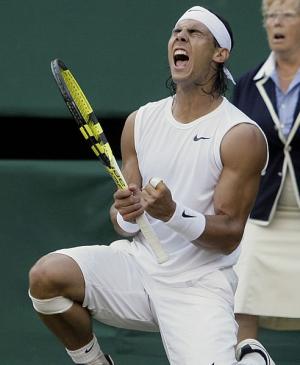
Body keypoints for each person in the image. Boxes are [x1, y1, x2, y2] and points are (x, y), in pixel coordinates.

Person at [28, 6, 274, 365]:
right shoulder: (139, 122)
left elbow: (230, 234)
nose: (180, 37)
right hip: (138, 271)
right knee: (46, 279)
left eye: (195, 32)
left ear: (220, 54)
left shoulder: (240, 136)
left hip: (198, 286)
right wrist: (126, 214)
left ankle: (252, 358)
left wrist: (172, 213)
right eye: (177, 31)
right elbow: (123, 215)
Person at [233, 0, 300, 343]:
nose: (277, 22)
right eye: (270, 16)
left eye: (287, 15)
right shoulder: (247, 84)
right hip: (262, 213)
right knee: (242, 298)